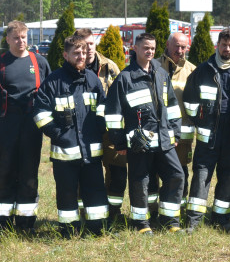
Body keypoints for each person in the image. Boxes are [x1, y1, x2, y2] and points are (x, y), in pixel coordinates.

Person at [104, 33, 184, 232]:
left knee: (176, 175)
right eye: (145, 48)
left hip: (165, 140)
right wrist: (120, 143)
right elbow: (112, 114)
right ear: (135, 48)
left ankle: (169, 221)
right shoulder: (125, 78)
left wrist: (175, 133)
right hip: (140, 142)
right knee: (140, 182)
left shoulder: (161, 73)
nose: (149, 51)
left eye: (152, 48)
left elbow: (172, 106)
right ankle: (140, 223)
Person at [0, 21, 51, 235]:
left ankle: (26, 224)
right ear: (8, 39)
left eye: (24, 37)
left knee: (29, 175)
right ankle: (1, 224)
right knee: (5, 173)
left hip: (31, 128)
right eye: (16, 38)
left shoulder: (39, 62)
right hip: (6, 128)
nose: (21, 41)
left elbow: (49, 93)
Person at [34, 35, 109, 237]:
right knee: (67, 194)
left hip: (91, 151)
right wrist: (59, 135)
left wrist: (99, 127)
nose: (81, 56)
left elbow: (103, 106)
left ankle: (97, 229)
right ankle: (69, 231)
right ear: (66, 55)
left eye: (84, 52)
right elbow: (40, 114)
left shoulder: (92, 79)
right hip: (65, 153)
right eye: (76, 53)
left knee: (95, 191)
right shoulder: (53, 81)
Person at [182, 28, 230, 231]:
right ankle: (194, 220)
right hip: (209, 134)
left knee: (229, 174)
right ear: (218, 46)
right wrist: (201, 120)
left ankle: (221, 218)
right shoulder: (204, 70)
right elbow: (189, 99)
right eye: (224, 45)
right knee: (201, 175)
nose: (227, 49)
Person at [77, 28, 127, 224]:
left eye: (91, 44)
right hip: (84, 131)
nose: (88, 49)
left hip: (110, 131)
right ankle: (84, 214)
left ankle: (113, 213)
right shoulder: (73, 67)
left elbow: (121, 96)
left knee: (117, 172)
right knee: (86, 173)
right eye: (83, 45)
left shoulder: (110, 67)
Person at [159, 31, 196, 199]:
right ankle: (153, 209)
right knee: (155, 171)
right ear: (168, 45)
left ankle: (178, 206)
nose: (180, 50)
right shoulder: (154, 66)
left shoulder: (192, 71)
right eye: (177, 46)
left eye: (184, 47)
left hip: (182, 135)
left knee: (181, 171)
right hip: (156, 130)